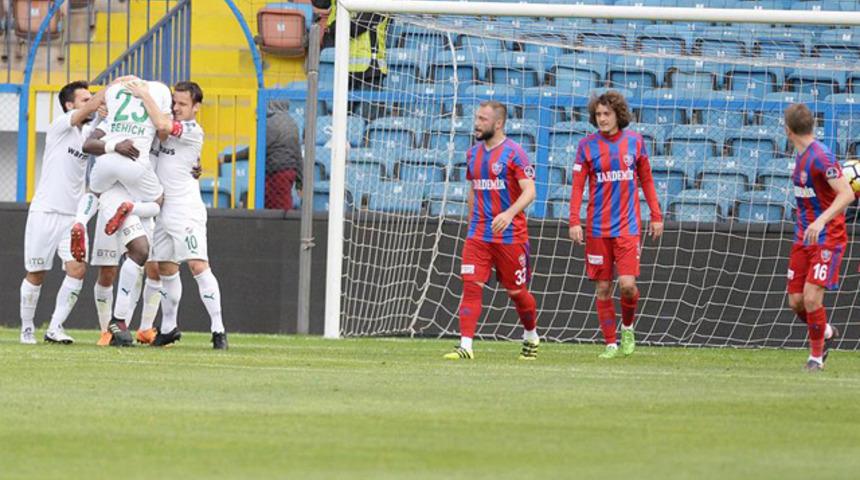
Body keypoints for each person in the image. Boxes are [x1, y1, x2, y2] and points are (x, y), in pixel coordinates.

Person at [77, 78, 173, 346]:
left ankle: (120, 324)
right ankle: (112, 327)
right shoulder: (156, 109)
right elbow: (165, 131)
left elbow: (89, 143)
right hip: (130, 184)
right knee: (157, 204)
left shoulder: (114, 115)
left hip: (114, 184)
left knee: (140, 253)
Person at [568, 91, 663, 359]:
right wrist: (574, 220)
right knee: (603, 288)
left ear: (618, 115)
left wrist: (656, 215)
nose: (602, 119)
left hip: (627, 227)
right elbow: (577, 188)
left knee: (628, 285)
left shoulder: (635, 142)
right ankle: (610, 344)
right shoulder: (586, 146)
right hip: (597, 228)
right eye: (598, 115)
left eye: (607, 114)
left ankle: (628, 328)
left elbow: (646, 179)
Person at [443, 101, 538, 361]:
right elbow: (473, 189)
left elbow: (530, 191)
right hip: (478, 234)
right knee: (471, 286)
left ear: (498, 124)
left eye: (483, 119)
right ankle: (466, 346)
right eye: (476, 117)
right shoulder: (473, 154)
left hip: (510, 235)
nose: (476, 123)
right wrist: (472, 220)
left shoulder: (515, 153)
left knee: (516, 293)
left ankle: (531, 335)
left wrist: (508, 214)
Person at [136, 81, 228, 349]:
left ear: (196, 108)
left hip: (186, 210)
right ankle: (169, 327)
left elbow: (165, 126)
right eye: (174, 102)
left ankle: (218, 330)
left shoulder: (191, 130)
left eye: (183, 104)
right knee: (165, 267)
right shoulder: (160, 129)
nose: (176, 108)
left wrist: (143, 94)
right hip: (163, 211)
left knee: (198, 265)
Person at [19, 81, 105, 344]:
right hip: (45, 212)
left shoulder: (87, 134)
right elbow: (93, 107)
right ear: (70, 105)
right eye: (84, 99)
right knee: (37, 273)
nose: (90, 102)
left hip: (72, 217)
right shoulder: (60, 125)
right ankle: (27, 328)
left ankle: (55, 328)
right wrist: (113, 87)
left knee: (77, 269)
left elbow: (106, 127)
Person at [783, 103, 854, 371]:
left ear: (788, 130)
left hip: (827, 237)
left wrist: (822, 219)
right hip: (804, 237)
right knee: (796, 302)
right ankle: (824, 330)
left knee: (812, 298)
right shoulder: (802, 156)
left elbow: (847, 194)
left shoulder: (822, 156)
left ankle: (816, 357)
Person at [311, 0, 389, 89]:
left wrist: (336, 27)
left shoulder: (378, 3)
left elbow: (356, 28)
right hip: (342, 68)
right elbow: (321, 7)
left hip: (370, 70)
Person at [264, 100, 303, 211]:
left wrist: (229, 158)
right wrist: (300, 182)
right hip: (289, 171)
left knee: (276, 208)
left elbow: (259, 148)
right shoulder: (292, 123)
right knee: (283, 205)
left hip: (274, 171)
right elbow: (298, 154)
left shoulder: (269, 122)